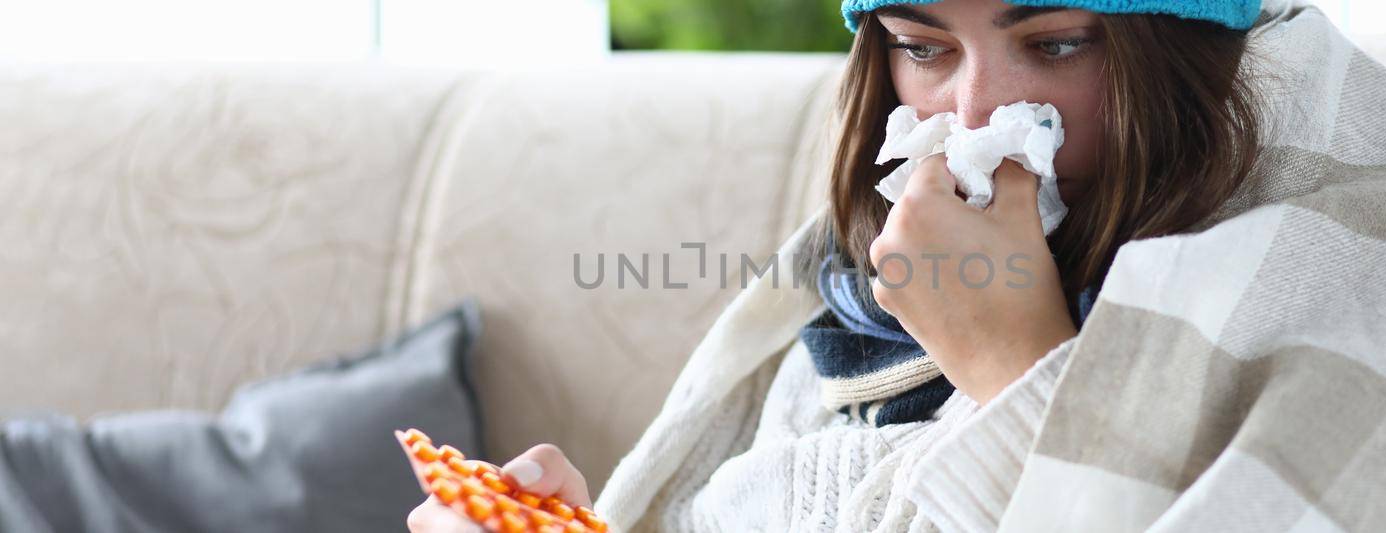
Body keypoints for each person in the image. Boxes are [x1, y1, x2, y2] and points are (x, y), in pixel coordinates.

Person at [413, 0, 1266, 529]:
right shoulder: (853, 311)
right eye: (923, 47)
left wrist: (1019, 369)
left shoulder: (1271, 302)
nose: (973, 113)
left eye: (1058, 44)